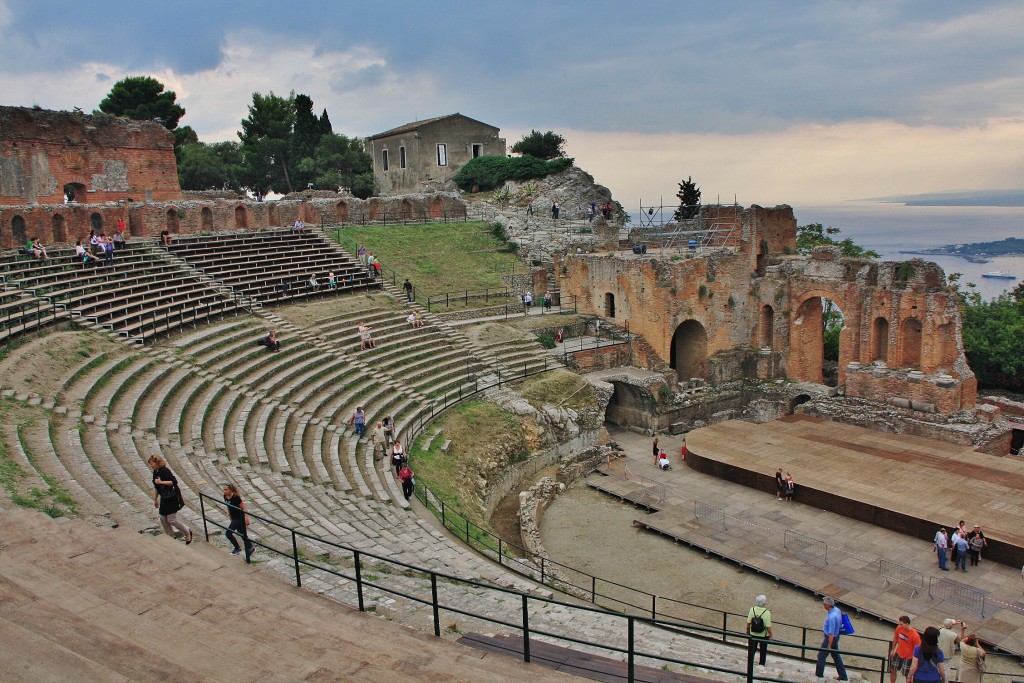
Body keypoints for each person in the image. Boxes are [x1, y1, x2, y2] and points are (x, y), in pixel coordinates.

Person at [147, 455, 191, 544]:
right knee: (162, 517)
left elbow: (173, 482)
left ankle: (187, 533)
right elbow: (156, 487)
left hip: (172, 497)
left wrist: (161, 482)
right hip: (164, 497)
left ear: (157, 463)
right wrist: (155, 499)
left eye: (152, 464)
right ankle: (171, 536)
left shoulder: (165, 471)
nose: (151, 465)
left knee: (171, 519)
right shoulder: (155, 472)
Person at [815, 596, 848, 681]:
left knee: (821, 656)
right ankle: (843, 676)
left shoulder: (832, 617)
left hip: (831, 639)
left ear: (827, 605)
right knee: (836, 656)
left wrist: (829, 645)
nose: (823, 605)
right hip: (836, 636)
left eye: (824, 604)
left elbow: (831, 634)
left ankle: (819, 676)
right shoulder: (837, 610)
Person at [222, 482, 254, 559]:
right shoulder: (225, 496)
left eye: (226, 489)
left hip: (239, 518)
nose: (224, 491)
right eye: (224, 489)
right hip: (234, 518)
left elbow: (243, 507)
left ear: (230, 490)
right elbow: (229, 507)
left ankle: (237, 548)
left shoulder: (236, 498)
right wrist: (230, 517)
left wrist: (246, 518)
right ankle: (250, 548)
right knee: (241, 533)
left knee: (228, 533)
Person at [889, 615, 921, 683]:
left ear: (907, 624)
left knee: (908, 675)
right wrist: (893, 649)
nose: (900, 625)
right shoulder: (899, 628)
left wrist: (915, 661)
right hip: (898, 652)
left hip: (908, 657)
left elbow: (917, 649)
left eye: (901, 624)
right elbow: (895, 637)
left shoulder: (915, 635)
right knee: (892, 670)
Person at [746, 594, 773, 666]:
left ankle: (750, 662)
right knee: (763, 650)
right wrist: (771, 635)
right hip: (763, 635)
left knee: (752, 649)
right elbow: (768, 626)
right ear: (764, 603)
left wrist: (747, 631)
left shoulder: (752, 609)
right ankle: (761, 663)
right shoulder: (767, 612)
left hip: (753, 633)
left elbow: (748, 622)